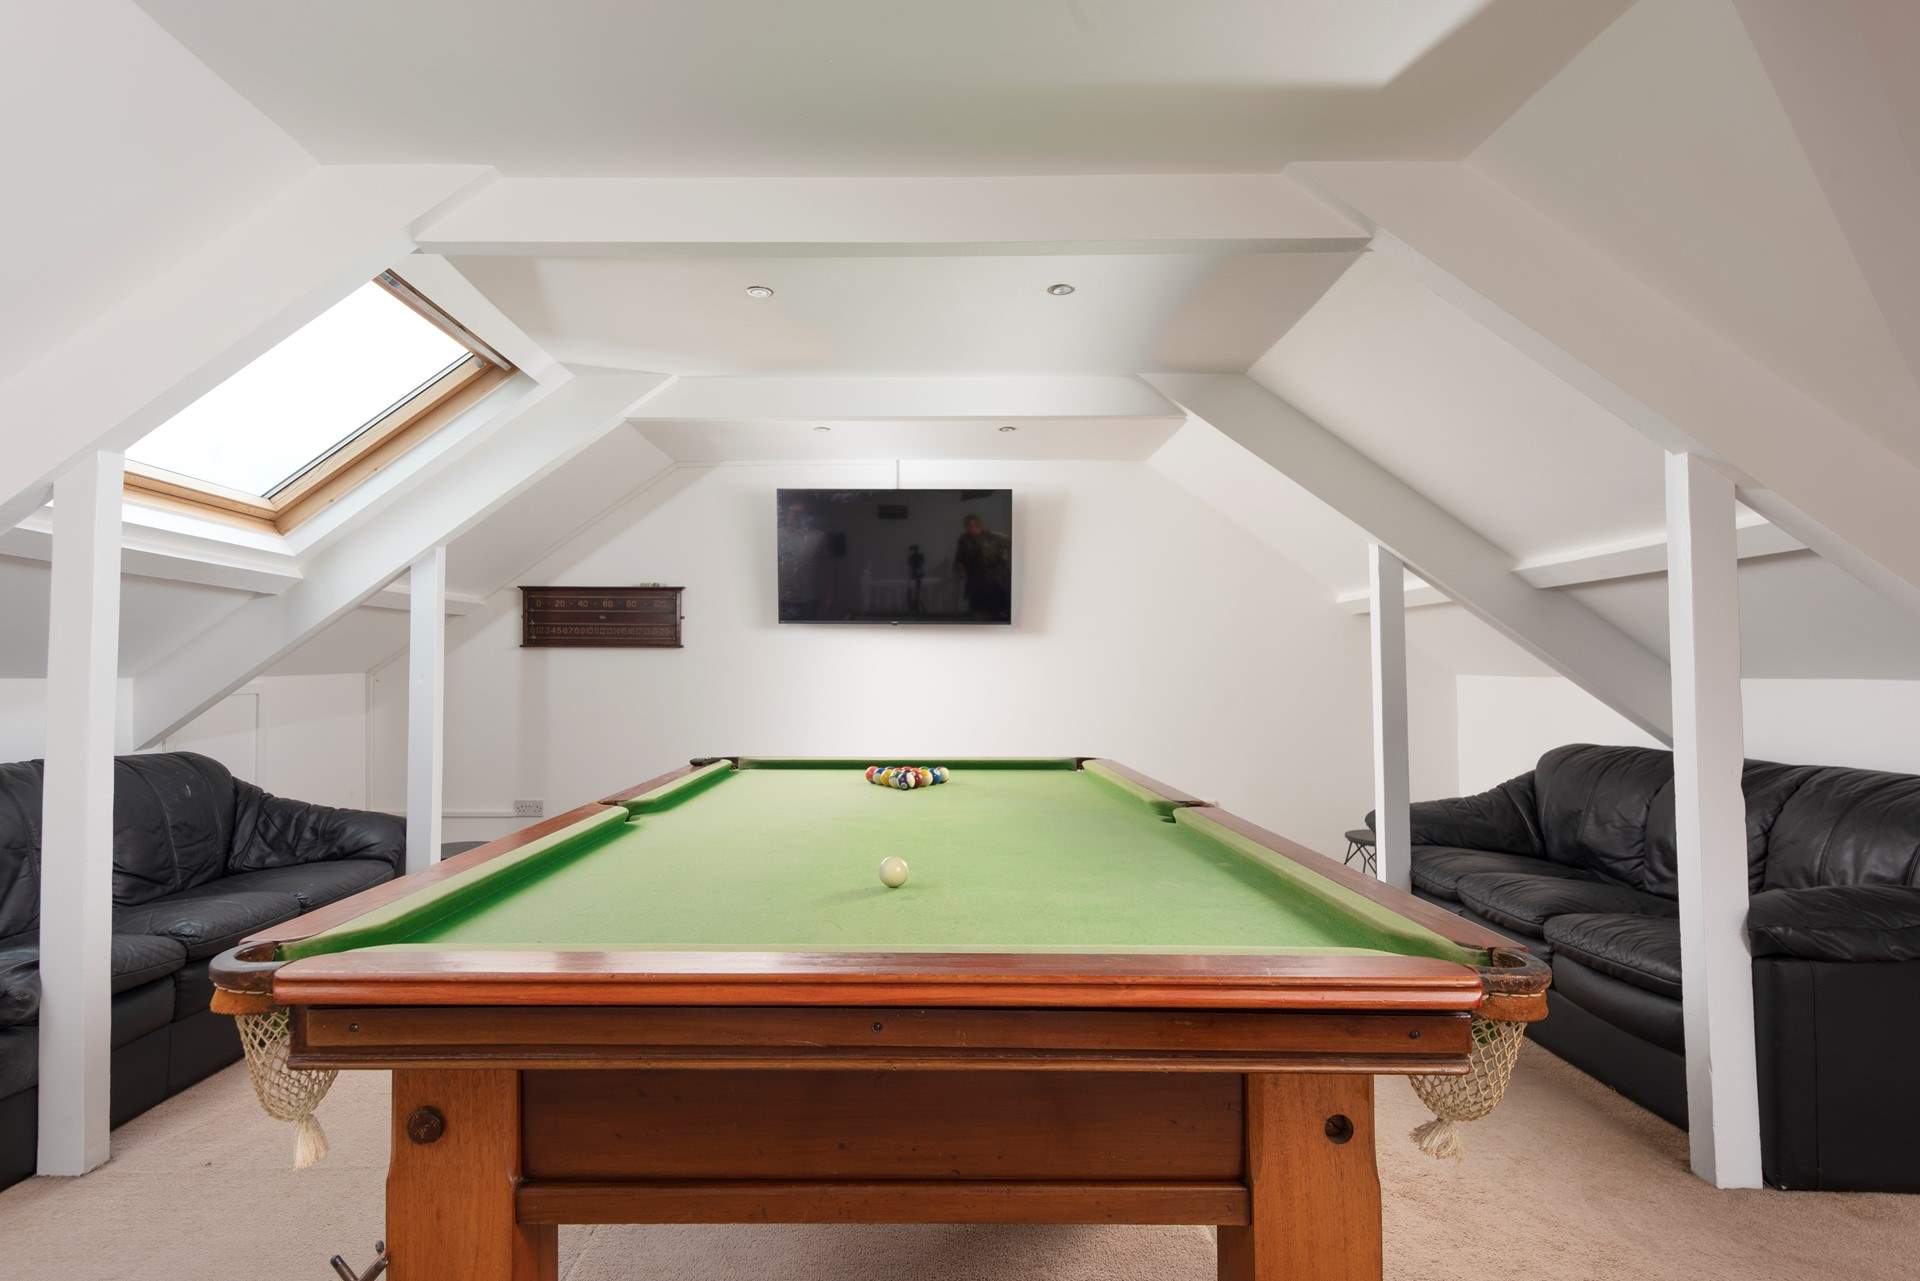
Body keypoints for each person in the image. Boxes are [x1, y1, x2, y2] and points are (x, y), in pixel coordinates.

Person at [952, 512, 1011, 620]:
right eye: (967, 525)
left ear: (978, 525)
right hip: (975, 579)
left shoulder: (992, 536)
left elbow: (1007, 546)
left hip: (994, 579)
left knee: (996, 609)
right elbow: (960, 557)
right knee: (977, 610)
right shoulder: (964, 539)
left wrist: (998, 556)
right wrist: (960, 568)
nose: (969, 528)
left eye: (972, 525)